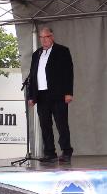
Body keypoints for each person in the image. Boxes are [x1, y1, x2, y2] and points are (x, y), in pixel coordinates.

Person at [28, 27, 74, 163]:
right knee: (45, 125)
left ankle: (66, 151)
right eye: (41, 37)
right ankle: (50, 153)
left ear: (52, 36)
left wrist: (68, 92)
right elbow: (32, 76)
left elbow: (68, 72)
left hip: (58, 94)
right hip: (41, 95)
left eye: (46, 37)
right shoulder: (36, 54)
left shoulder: (62, 51)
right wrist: (31, 96)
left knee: (61, 124)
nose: (43, 40)